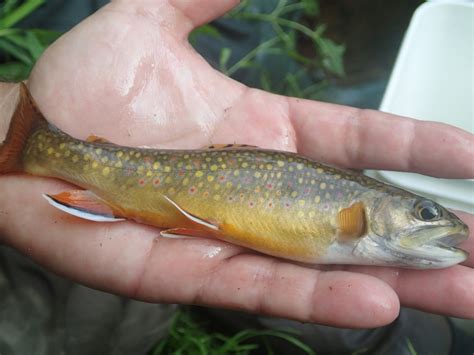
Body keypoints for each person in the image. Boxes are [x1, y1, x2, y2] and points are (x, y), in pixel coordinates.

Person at [0, 1, 472, 354]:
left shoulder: (366, 231)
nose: (437, 224)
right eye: (424, 213)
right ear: (369, 212)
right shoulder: (352, 223)